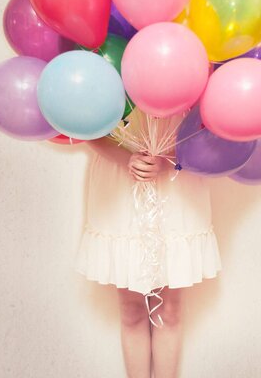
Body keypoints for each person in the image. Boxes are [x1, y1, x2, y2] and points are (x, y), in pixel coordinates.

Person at [74, 110, 221, 378]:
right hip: (119, 183)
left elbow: (214, 128)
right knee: (131, 310)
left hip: (178, 178)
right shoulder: (104, 70)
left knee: (170, 310)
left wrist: (168, 160)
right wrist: (127, 159)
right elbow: (83, 124)